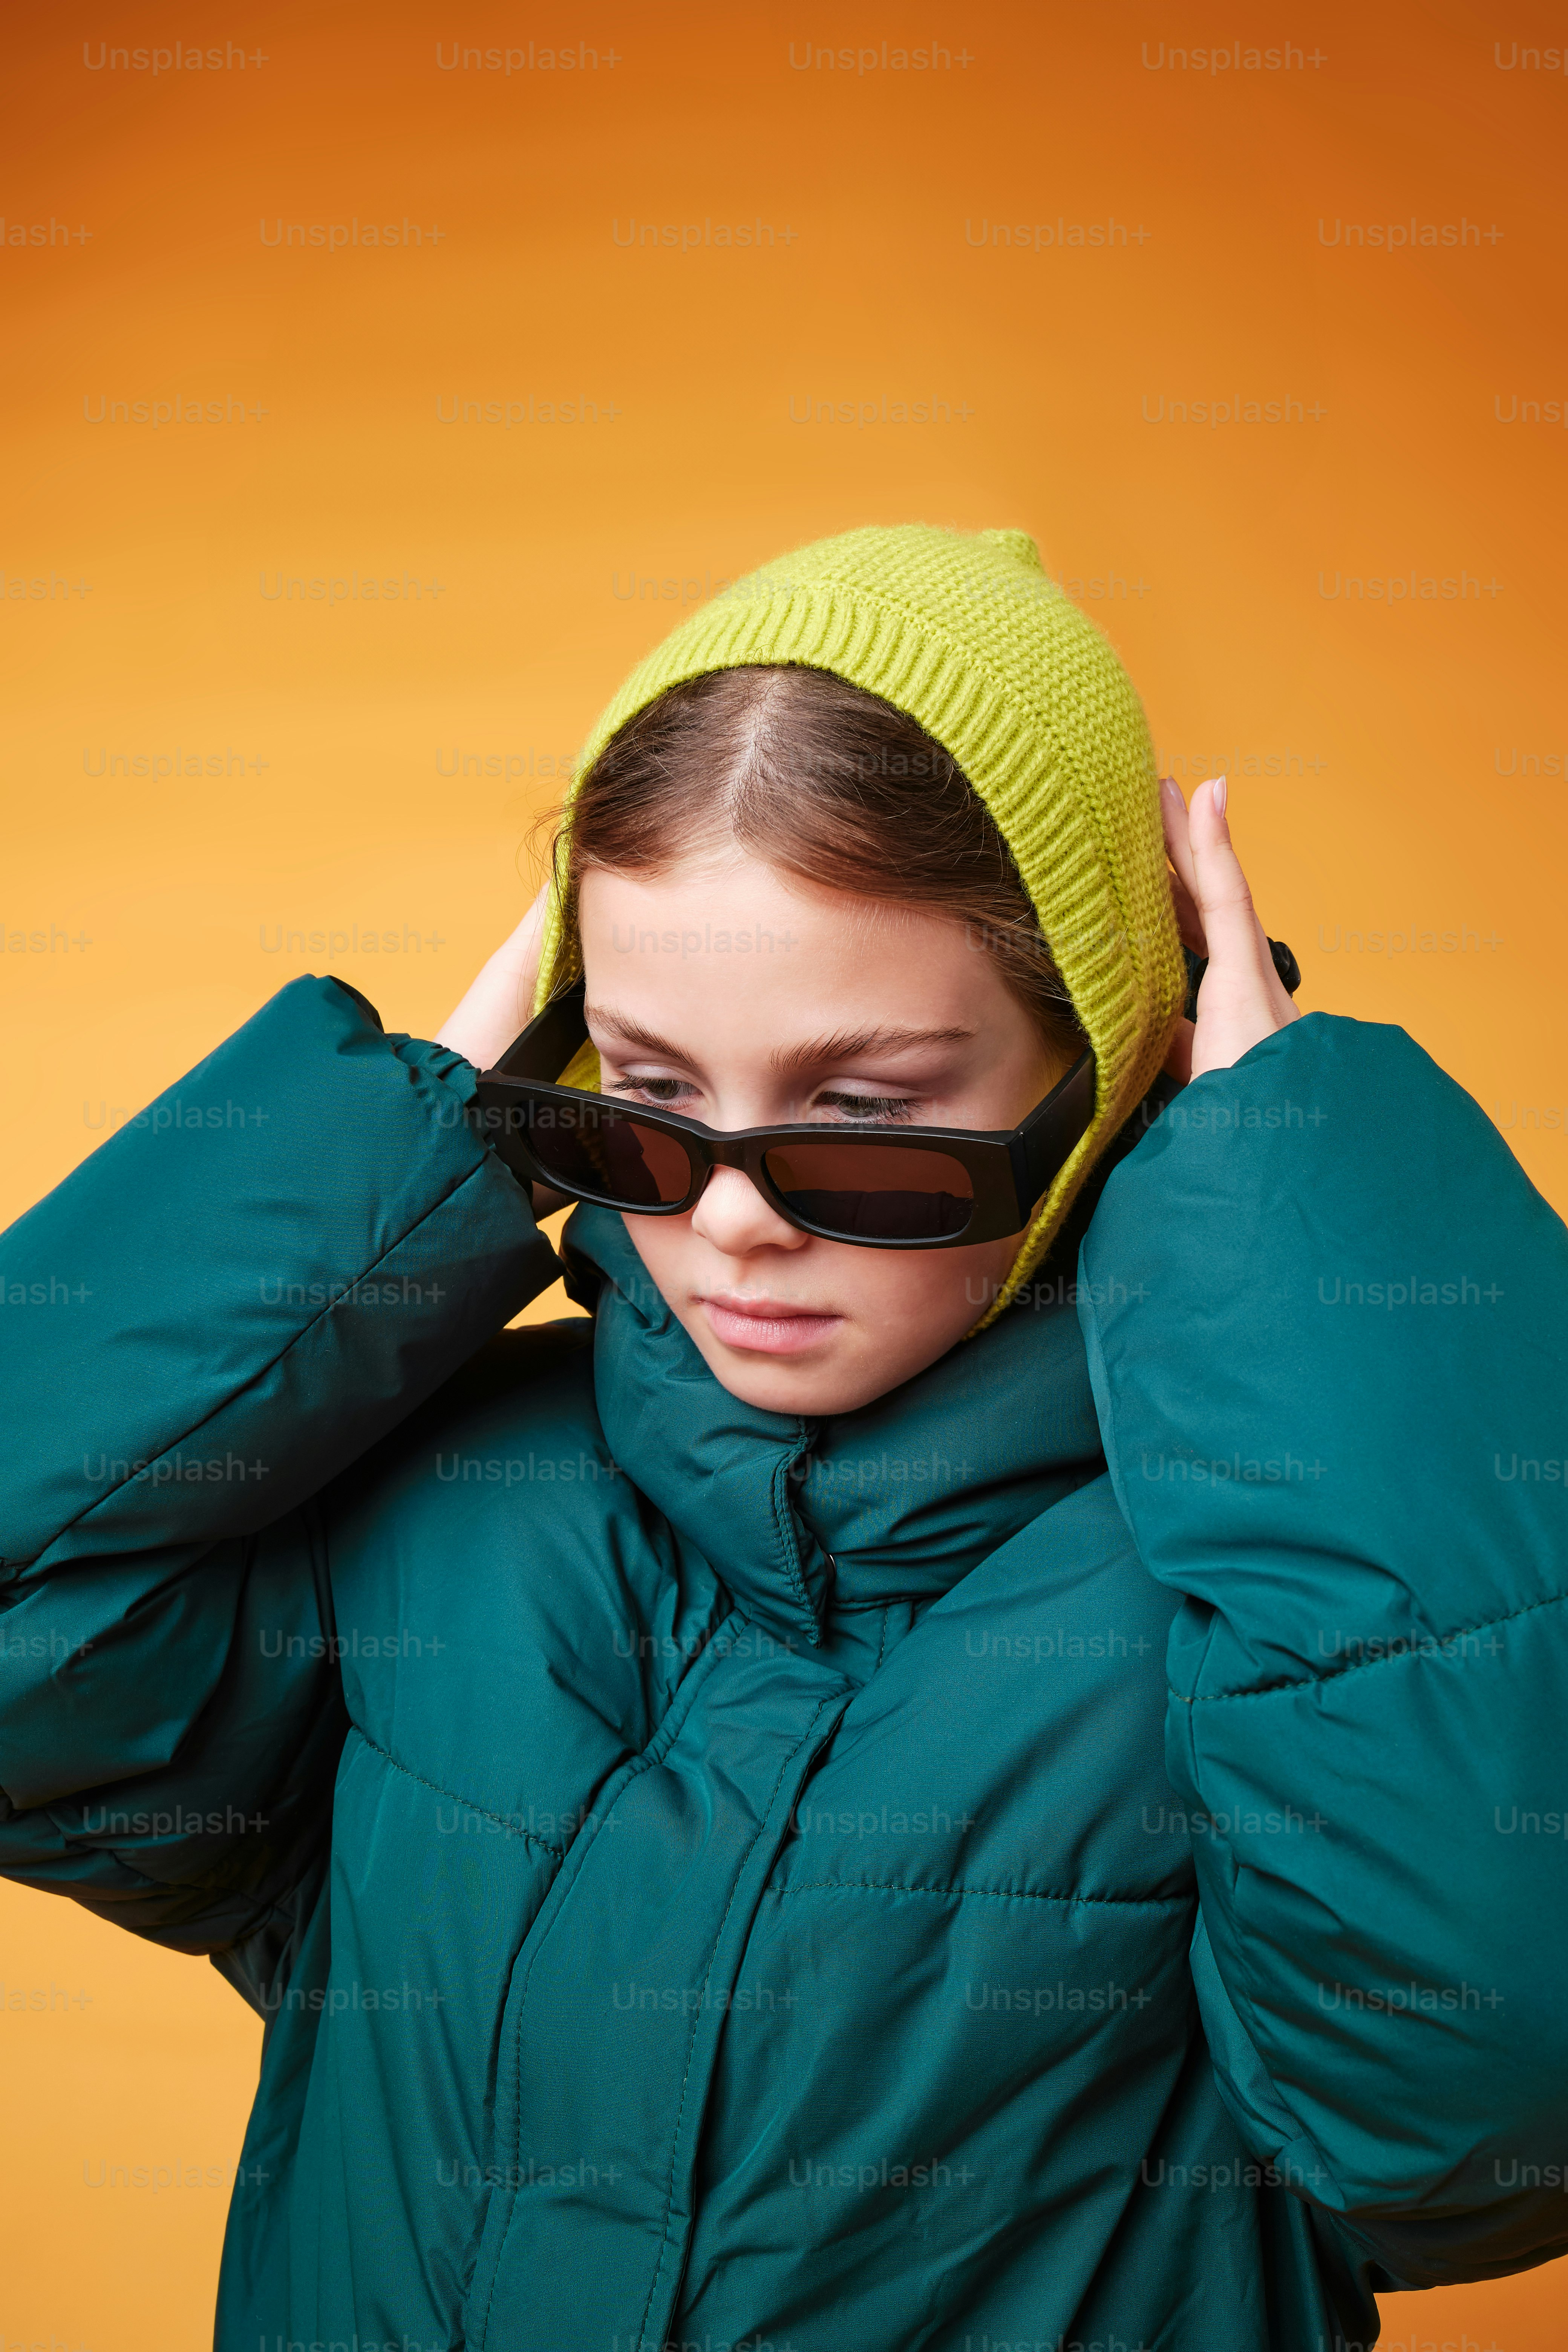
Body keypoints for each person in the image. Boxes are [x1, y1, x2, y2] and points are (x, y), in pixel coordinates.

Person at [2, 523, 1565, 2352]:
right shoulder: (441, 1502)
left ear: (1110, 1068)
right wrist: (387, 1147)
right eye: (645, 1097)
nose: (732, 1223)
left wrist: (1282, 1197)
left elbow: (1477, 2118)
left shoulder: (1266, 1622)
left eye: (866, 1118)